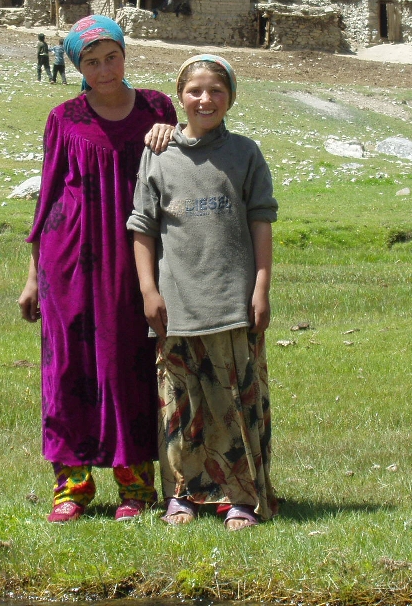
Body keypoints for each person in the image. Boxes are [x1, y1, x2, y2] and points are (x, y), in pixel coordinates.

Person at [18, 15, 178, 523]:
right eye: (91, 61)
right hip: (69, 259)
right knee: (68, 367)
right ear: (77, 66)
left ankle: (135, 482)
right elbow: (47, 198)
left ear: (125, 54)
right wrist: (31, 276)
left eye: (111, 56)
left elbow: (182, 165)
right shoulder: (63, 117)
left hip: (136, 257)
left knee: (128, 361)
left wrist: (169, 132)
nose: (104, 69)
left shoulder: (157, 106)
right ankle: (73, 484)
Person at [127, 54, 278, 531]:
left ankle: (242, 496)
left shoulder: (246, 154)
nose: (205, 99)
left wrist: (261, 288)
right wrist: (149, 290)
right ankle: (183, 494)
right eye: (195, 90)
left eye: (216, 90)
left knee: (235, 401)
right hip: (176, 303)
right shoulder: (158, 152)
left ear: (231, 97)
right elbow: (143, 227)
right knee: (179, 403)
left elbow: (261, 221)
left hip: (231, 300)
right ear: (180, 96)